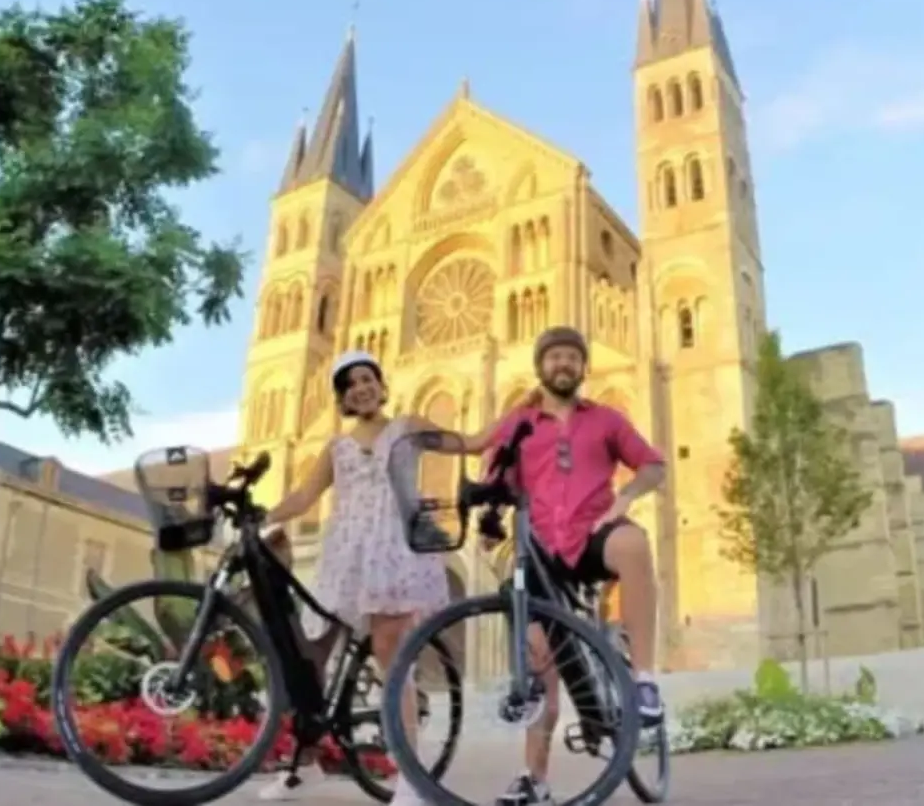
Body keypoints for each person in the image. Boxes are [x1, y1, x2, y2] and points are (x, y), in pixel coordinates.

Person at [259, 350, 501, 803]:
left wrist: (524, 411)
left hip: (394, 549)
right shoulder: (336, 447)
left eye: (367, 378)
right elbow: (304, 496)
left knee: (393, 661)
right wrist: (260, 518)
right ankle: (304, 764)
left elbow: (470, 441)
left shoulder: (407, 428)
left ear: (381, 385)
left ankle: (410, 777)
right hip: (345, 555)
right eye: (350, 384)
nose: (360, 387)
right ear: (343, 397)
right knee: (311, 659)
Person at [487, 326, 667, 806]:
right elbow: (493, 473)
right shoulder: (518, 423)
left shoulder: (606, 418)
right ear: (540, 366)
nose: (563, 364)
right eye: (554, 357)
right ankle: (534, 780)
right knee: (539, 667)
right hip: (540, 553)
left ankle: (645, 680)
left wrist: (626, 497)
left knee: (633, 544)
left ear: (583, 367)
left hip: (591, 537)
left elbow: (652, 465)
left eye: (571, 357)